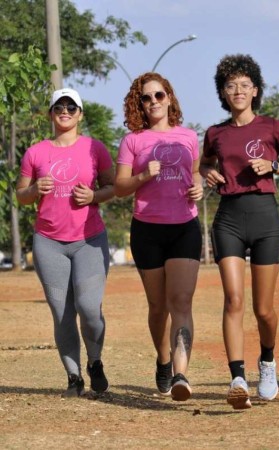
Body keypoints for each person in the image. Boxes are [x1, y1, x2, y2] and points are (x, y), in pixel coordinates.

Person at [200, 54, 279, 410]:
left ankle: (268, 362)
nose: (238, 91)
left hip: (265, 219)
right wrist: (208, 175)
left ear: (255, 90)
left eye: (245, 85)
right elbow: (205, 166)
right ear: (223, 93)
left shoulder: (273, 126)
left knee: (263, 309)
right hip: (228, 217)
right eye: (231, 86)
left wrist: (272, 165)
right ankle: (237, 377)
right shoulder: (215, 133)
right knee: (233, 300)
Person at [16, 88, 115, 397]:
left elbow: (113, 186)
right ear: (51, 113)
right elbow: (21, 196)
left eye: (72, 107)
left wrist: (94, 196)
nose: (66, 111)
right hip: (49, 243)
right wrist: (34, 189)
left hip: (89, 240)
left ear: (80, 114)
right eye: (60, 106)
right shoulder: (36, 152)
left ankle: (95, 361)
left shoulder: (94, 148)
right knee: (62, 313)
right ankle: (74, 377)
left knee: (88, 308)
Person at [114, 73, 203, 401]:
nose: (154, 102)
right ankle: (163, 359)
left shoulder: (189, 136)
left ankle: (180, 373)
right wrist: (141, 175)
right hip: (147, 230)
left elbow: (193, 172)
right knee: (157, 306)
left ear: (169, 97)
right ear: (140, 103)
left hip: (184, 227)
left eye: (159, 95)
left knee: (180, 302)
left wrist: (199, 186)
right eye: (147, 98)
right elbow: (121, 187)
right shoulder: (132, 141)